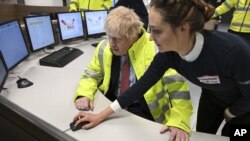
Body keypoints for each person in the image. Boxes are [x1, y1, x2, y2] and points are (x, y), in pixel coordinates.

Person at [72, 0, 250, 139]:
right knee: (203, 134)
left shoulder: (234, 52)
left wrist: (231, 113)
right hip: (213, 96)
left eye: (156, 31)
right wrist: (100, 116)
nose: (150, 38)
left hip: (245, 104)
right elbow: (139, 87)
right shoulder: (169, 55)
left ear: (182, 28)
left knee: (234, 135)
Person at [73, 6, 193, 140]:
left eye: (117, 39)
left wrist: (179, 121)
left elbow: (179, 91)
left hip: (146, 111)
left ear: (132, 36)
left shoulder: (158, 49)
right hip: (111, 103)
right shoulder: (104, 47)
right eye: (109, 37)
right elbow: (91, 73)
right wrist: (84, 94)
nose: (111, 44)